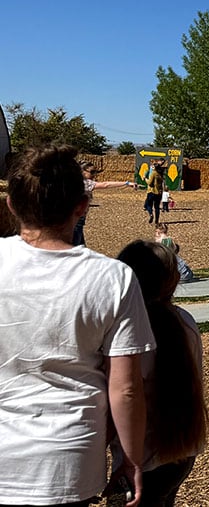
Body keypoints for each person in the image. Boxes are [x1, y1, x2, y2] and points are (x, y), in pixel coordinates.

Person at [0, 144, 156, 507]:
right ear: (81, 207)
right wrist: (131, 458)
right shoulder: (113, 278)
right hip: (68, 463)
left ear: (11, 205)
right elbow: (127, 388)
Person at [114, 240, 208, 507]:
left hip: (142, 458)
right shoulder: (184, 321)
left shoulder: (130, 333)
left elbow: (126, 393)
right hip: (181, 450)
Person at [76, 161, 135, 246]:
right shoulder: (85, 183)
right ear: (83, 172)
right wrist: (126, 183)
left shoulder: (75, 182)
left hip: (76, 219)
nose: (94, 175)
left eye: (95, 172)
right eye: (92, 172)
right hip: (77, 220)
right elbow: (105, 184)